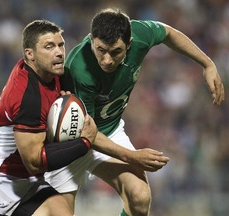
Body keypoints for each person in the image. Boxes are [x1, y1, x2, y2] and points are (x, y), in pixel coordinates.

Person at [44, 8, 225, 216]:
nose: (107, 60)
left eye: (115, 52)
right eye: (101, 49)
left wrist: (207, 63)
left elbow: (168, 33)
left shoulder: (140, 35)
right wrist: (133, 157)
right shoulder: (78, 69)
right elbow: (87, 133)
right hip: (70, 141)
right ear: (92, 39)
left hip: (108, 132)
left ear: (129, 45)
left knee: (139, 196)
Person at [0, 19, 98, 216]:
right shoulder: (27, 95)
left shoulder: (50, 74)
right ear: (29, 54)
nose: (59, 52)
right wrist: (84, 143)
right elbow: (34, 162)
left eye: (61, 45)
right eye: (49, 47)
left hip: (28, 184)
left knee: (61, 212)